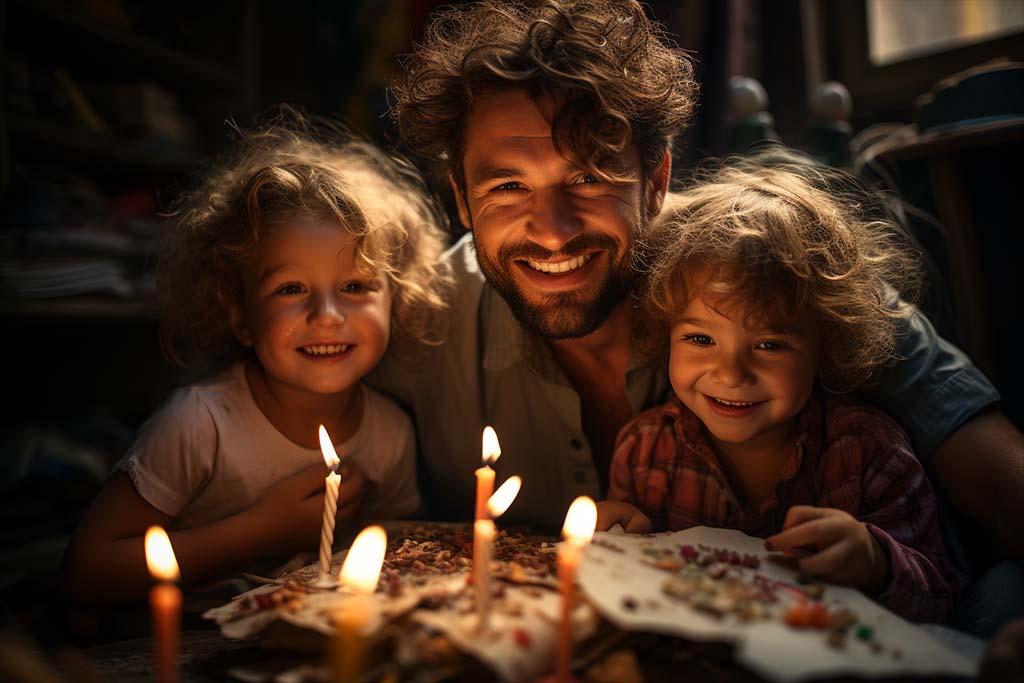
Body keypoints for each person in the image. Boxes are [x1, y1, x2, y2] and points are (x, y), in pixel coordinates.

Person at [378, 0, 1023, 563]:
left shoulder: (765, 261)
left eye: (590, 178)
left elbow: (993, 471)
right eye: (508, 186)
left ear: (656, 180)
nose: (551, 230)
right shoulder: (421, 315)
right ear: (462, 200)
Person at [61, 112, 450, 602]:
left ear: (398, 297)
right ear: (240, 313)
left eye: (355, 286)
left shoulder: (390, 434)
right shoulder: (198, 424)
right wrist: (263, 531)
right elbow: (87, 570)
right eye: (291, 288)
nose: (327, 316)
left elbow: (393, 558)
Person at [596, 154, 959, 623]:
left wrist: (875, 563)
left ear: (827, 345)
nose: (730, 373)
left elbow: (943, 606)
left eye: (769, 344)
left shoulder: (868, 455)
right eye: (701, 338)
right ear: (666, 331)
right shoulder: (643, 453)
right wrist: (622, 538)